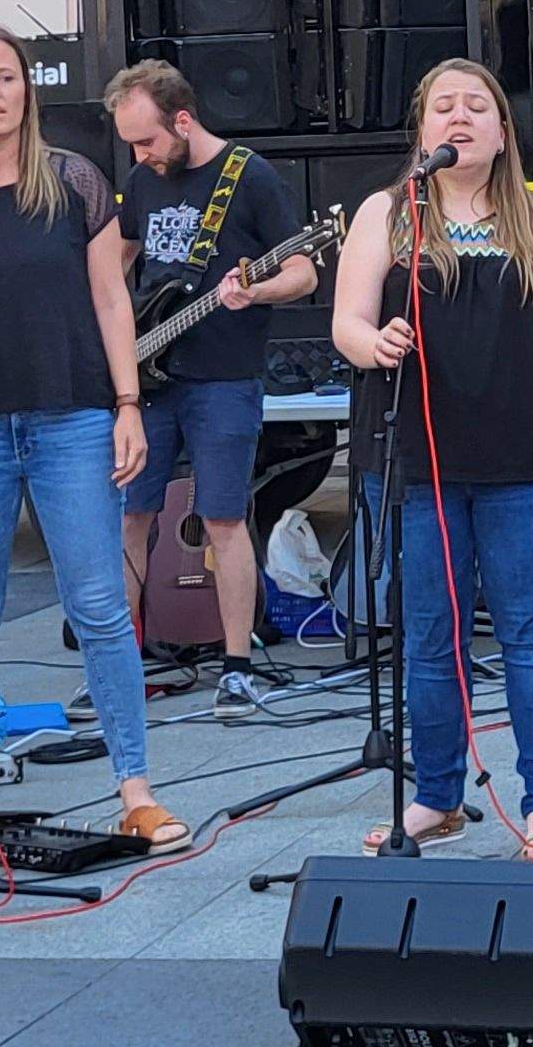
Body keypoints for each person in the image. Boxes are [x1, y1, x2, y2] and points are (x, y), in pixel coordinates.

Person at [0, 25, 186, 854]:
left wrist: (129, 402)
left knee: (98, 606)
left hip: (70, 416)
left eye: (8, 77)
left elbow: (112, 301)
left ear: (27, 89)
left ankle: (136, 788)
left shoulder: (74, 181)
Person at [330, 58, 533, 862]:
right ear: (423, 130)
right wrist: (371, 342)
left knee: (531, 630)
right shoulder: (387, 214)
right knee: (429, 637)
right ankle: (437, 798)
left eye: (476, 106)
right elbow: (346, 320)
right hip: (417, 463)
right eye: (443, 107)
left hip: (526, 460)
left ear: (501, 129)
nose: (460, 118)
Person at [104, 59, 318, 711]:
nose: (139, 156)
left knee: (223, 517)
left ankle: (236, 665)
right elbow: (118, 264)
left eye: (147, 141)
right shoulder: (144, 179)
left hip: (222, 376)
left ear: (184, 119)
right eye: (130, 144)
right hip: (148, 378)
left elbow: (304, 273)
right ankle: (121, 662)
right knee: (127, 516)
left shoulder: (248, 177)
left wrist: (254, 291)